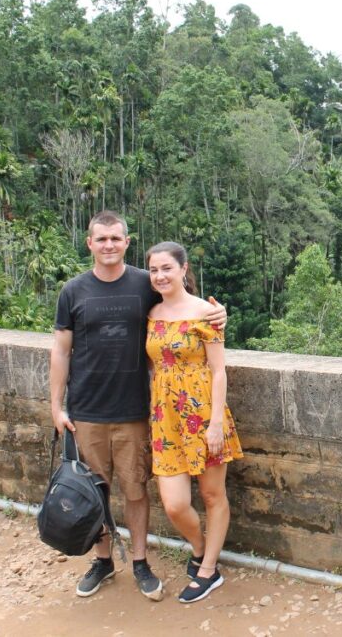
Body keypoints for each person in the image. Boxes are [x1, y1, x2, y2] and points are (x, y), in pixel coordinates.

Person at [50, 211, 227, 601]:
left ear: (126, 242)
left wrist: (220, 312)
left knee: (135, 492)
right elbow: (61, 351)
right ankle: (102, 560)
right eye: (102, 239)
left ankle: (142, 562)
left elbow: (187, 308)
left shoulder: (144, 285)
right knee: (92, 492)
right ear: (90, 243)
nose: (109, 245)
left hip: (137, 411)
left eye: (116, 238)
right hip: (89, 408)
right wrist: (56, 405)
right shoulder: (73, 291)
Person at [144, 241, 243, 603]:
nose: (160, 275)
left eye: (167, 268)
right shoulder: (150, 311)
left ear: (184, 269)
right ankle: (200, 548)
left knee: (212, 494)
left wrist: (215, 423)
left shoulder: (207, 313)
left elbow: (219, 371)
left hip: (202, 414)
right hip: (165, 418)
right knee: (173, 503)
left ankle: (208, 570)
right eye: (154, 270)